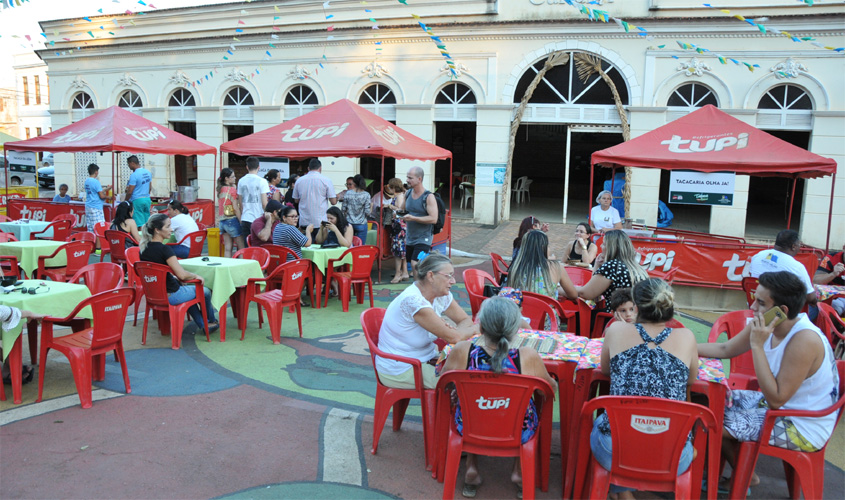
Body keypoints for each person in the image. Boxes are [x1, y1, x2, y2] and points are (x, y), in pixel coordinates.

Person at [698, 271, 839, 493]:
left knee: (710, 420)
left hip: (802, 425)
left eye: (761, 303)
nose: (753, 307)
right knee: (705, 404)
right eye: (755, 298)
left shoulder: (804, 340)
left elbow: (776, 398)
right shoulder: (766, 324)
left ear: (781, 312)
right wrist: (681, 347)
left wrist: (757, 346)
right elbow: (725, 349)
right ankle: (740, 473)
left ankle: (740, 477)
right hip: (781, 409)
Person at [590, 279, 698, 499]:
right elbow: (691, 380)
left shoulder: (616, 330)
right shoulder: (687, 337)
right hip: (671, 455)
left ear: (636, 308)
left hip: (616, 451)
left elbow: (605, 370)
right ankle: (625, 491)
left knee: (602, 422)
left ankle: (622, 491)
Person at [441, 297, 558, 498]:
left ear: (482, 328)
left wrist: (458, 389)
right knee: (524, 408)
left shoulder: (463, 351)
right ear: (515, 330)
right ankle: (519, 471)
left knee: (473, 407)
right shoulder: (527, 356)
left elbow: (444, 382)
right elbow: (549, 390)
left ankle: (471, 468)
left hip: (469, 426)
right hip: (517, 430)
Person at [376, 253, 478, 389]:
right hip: (401, 367)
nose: (453, 281)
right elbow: (455, 337)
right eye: (448, 276)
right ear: (431, 276)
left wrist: (454, 332)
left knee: (470, 366)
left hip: (423, 358)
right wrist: (479, 328)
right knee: (464, 381)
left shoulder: (440, 294)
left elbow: (465, 320)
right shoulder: (414, 301)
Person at [139, 213, 218, 334]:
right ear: (157, 230)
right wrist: (196, 276)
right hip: (172, 295)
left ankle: (204, 324)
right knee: (205, 290)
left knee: (188, 291)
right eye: (168, 226)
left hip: (153, 295)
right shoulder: (165, 249)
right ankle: (211, 321)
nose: (171, 229)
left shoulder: (143, 249)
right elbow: (182, 275)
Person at [744, 229, 817, 319]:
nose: (800, 247)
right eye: (799, 245)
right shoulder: (796, 266)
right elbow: (811, 298)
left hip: (755, 305)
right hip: (780, 313)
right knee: (816, 307)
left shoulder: (758, 256)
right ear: (793, 246)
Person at [577, 229, 648, 312]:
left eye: (603, 244)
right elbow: (594, 291)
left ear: (611, 248)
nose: (600, 246)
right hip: (637, 316)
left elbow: (586, 293)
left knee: (578, 318)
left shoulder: (612, 266)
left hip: (616, 317)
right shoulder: (636, 267)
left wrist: (560, 289)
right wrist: (597, 264)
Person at [507, 230, 577, 301]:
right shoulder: (556, 267)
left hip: (521, 311)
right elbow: (573, 295)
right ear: (543, 247)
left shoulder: (515, 267)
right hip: (546, 311)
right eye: (548, 246)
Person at [396, 166, 438, 275]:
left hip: (424, 239)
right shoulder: (408, 193)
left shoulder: (428, 196)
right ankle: (421, 286)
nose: (407, 180)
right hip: (410, 237)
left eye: (410, 178)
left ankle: (421, 289)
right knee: (414, 264)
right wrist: (396, 212)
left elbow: (434, 219)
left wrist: (414, 218)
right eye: (407, 177)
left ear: (419, 179)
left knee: (416, 263)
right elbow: (402, 210)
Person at [292, 158, 336, 239]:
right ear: (320, 168)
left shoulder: (299, 181)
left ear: (308, 168)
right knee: (321, 247)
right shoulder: (326, 180)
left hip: (304, 221)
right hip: (321, 221)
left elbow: (296, 200)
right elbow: (333, 202)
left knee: (306, 247)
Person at [237, 156, 270, 239]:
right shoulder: (262, 181)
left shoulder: (241, 180)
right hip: (258, 218)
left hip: (245, 217)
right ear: (259, 167)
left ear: (247, 167)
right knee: (258, 246)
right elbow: (264, 203)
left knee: (247, 246)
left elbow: (240, 203)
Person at [216, 167, 245, 258]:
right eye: (232, 177)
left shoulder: (220, 189)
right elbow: (235, 208)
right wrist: (241, 221)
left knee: (228, 248)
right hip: (232, 220)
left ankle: (226, 266)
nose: (235, 178)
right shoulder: (232, 190)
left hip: (222, 222)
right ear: (226, 178)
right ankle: (241, 267)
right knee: (241, 248)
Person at [813, 242, 845, 315]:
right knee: (832, 309)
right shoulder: (829, 258)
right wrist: (833, 274)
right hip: (834, 298)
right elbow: (816, 280)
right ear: (844, 248)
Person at [388, 178, 408, 284]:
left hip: (399, 227)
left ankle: (398, 273)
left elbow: (401, 211)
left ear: (394, 187)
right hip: (402, 227)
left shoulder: (399, 196)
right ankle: (404, 272)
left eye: (390, 187)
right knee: (402, 251)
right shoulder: (402, 195)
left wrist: (391, 206)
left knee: (398, 251)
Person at [341, 174, 371, 244]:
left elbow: (343, 209)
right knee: (360, 246)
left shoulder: (348, 193)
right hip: (361, 223)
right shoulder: (366, 195)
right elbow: (367, 212)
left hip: (349, 223)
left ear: (354, 183)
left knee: (348, 245)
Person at [124, 155, 152, 227]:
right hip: (147, 199)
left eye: (128, 164)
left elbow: (130, 191)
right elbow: (150, 187)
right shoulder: (148, 172)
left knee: (139, 224)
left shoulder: (134, 175)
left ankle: (140, 237)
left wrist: (125, 201)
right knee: (147, 222)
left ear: (132, 163)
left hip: (137, 200)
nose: (128, 166)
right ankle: (147, 237)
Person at [84, 163, 110, 233]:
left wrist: (107, 189)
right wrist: (109, 197)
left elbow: (96, 192)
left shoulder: (87, 181)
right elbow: (101, 196)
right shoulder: (96, 182)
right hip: (96, 207)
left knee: (90, 228)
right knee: (99, 228)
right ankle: (98, 243)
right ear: (96, 172)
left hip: (88, 206)